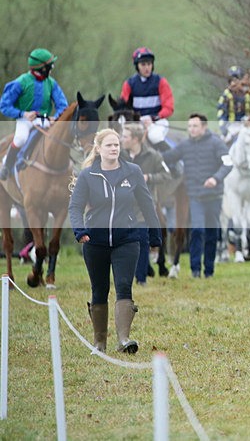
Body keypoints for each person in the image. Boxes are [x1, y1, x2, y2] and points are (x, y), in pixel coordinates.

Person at [68, 129, 162, 354]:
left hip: (127, 240)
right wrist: (79, 230)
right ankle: (99, 343)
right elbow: (75, 206)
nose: (114, 149)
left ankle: (123, 340)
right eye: (109, 145)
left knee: (123, 287)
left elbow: (147, 204)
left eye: (117, 145)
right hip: (95, 241)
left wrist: (155, 234)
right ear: (98, 149)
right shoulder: (88, 175)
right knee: (99, 290)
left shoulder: (133, 172)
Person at [161, 113, 231, 278]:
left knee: (212, 234)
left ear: (204, 127)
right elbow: (166, 158)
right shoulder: (184, 145)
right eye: (189, 126)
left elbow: (228, 163)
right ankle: (195, 270)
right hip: (195, 196)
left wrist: (216, 178)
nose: (191, 129)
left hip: (214, 196)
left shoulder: (217, 143)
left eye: (195, 126)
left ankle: (209, 270)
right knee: (197, 230)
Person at [0, 48, 69, 180]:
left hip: (45, 121)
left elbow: (62, 105)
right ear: (42, 68)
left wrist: (57, 117)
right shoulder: (21, 82)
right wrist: (23, 114)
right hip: (25, 121)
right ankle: (7, 166)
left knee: (59, 139)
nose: (52, 68)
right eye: (50, 66)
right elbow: (4, 105)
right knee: (20, 138)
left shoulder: (51, 83)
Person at [121, 123, 172, 284]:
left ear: (135, 139)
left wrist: (149, 177)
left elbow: (166, 175)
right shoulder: (120, 155)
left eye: (125, 136)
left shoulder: (154, 156)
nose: (122, 139)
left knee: (142, 239)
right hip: (124, 204)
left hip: (145, 205)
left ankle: (141, 278)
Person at [119, 47, 174, 146]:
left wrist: (153, 118)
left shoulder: (161, 82)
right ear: (137, 66)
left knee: (154, 137)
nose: (147, 67)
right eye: (143, 64)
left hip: (157, 122)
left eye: (149, 64)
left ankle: (169, 160)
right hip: (136, 123)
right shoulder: (129, 84)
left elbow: (169, 108)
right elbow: (123, 108)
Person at [217, 65, 250, 143]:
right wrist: (223, 127)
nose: (233, 84)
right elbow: (221, 113)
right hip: (231, 127)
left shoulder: (249, 95)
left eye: (236, 80)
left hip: (247, 126)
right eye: (231, 81)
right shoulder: (226, 96)